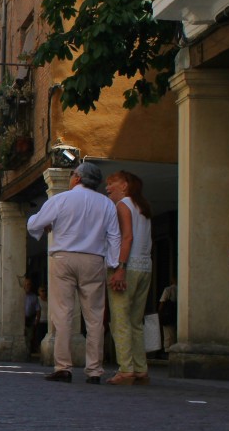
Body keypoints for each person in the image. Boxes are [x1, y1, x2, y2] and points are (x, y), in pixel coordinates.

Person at [27, 161, 120, 384]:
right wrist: (114, 264)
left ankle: (63, 367)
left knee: (62, 313)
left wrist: (44, 226)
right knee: (95, 317)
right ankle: (94, 370)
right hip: (93, 259)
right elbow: (114, 236)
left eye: (71, 175)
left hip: (63, 258)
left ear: (77, 177)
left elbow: (35, 223)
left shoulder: (61, 199)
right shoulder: (107, 204)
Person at [104, 171, 153, 386]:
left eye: (111, 183)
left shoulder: (123, 205)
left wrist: (120, 268)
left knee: (120, 320)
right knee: (135, 321)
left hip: (128, 266)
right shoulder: (143, 207)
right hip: (145, 266)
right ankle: (141, 369)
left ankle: (126, 369)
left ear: (124, 185)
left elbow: (127, 237)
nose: (107, 188)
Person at [157, 276, 177, 355]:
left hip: (168, 314)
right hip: (176, 314)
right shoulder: (181, 289)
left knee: (168, 334)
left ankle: (168, 351)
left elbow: (162, 302)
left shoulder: (168, 289)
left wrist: (159, 313)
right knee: (175, 333)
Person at [23, 277, 41, 356]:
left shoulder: (34, 297)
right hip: (20, 320)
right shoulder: (20, 295)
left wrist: (37, 320)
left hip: (30, 320)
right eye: (26, 284)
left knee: (30, 337)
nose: (28, 286)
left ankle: (27, 353)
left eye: (29, 284)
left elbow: (38, 310)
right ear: (23, 285)